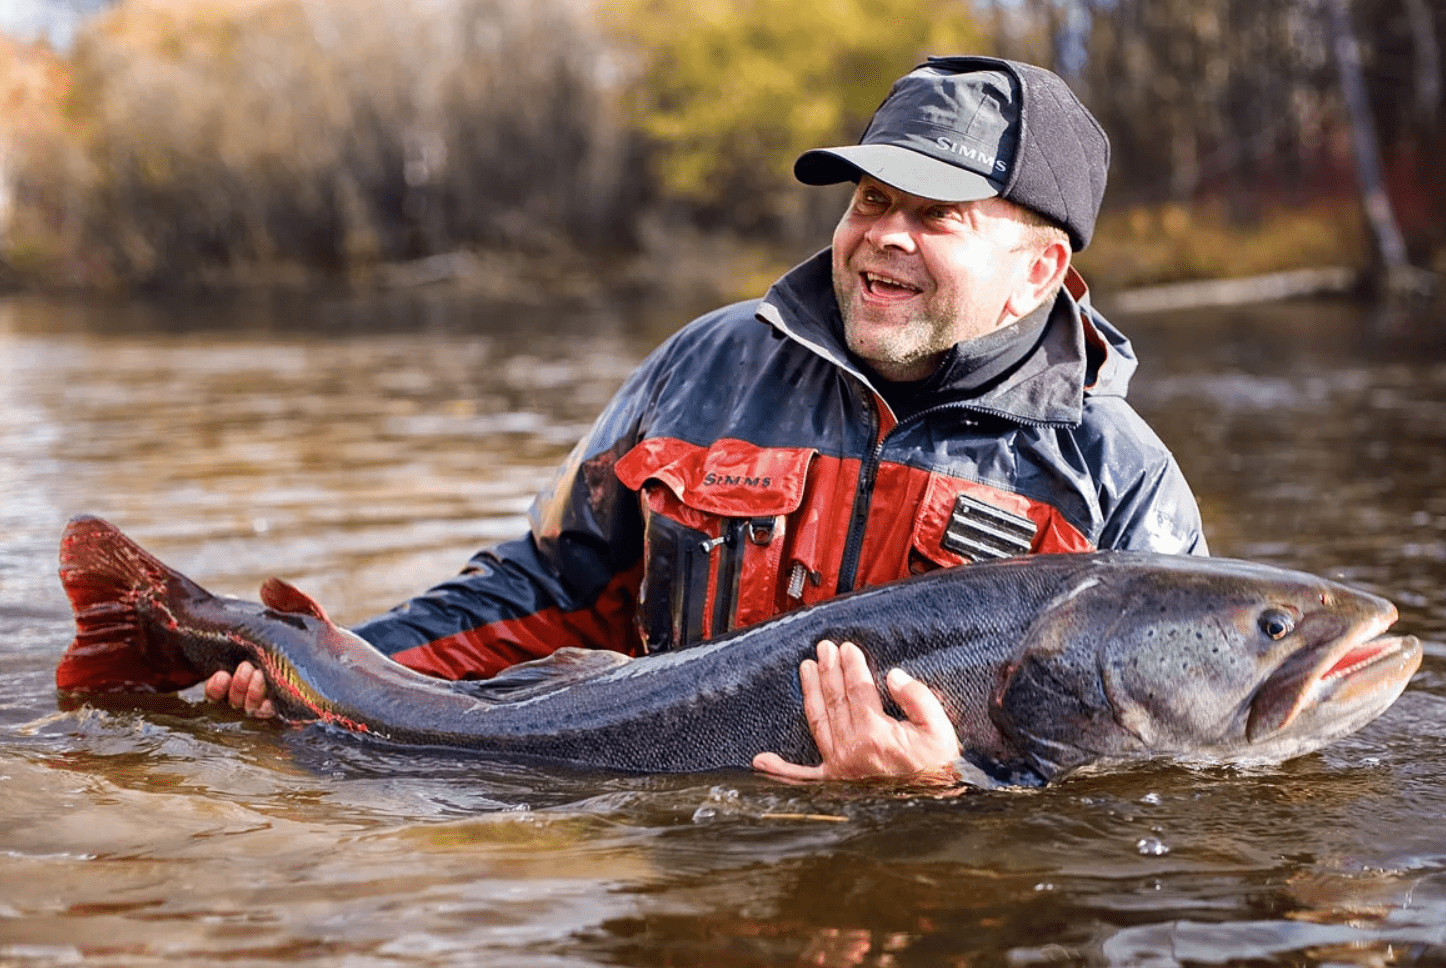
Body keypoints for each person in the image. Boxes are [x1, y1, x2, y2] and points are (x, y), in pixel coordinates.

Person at [206, 55, 1207, 784]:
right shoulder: (705, 364)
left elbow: (1164, 793)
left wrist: (955, 799)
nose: (881, 237)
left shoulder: (1122, 487)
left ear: (1038, 270)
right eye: (869, 199)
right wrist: (333, 666)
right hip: (655, 824)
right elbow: (550, 585)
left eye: (935, 214)